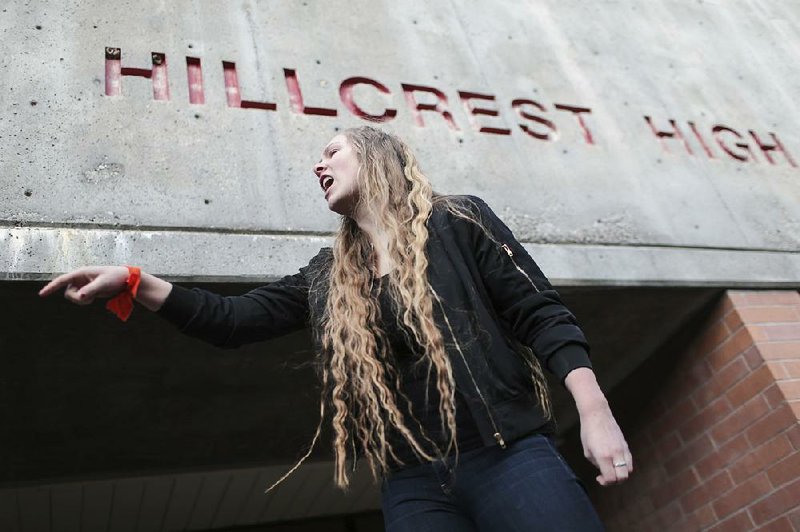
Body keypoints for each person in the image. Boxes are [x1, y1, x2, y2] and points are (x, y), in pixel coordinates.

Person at [39, 126, 631, 531]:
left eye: (331, 152)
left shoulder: (458, 220)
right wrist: (136, 280)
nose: (317, 166)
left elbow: (540, 312)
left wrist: (594, 410)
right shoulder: (326, 276)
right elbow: (232, 320)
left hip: (508, 455)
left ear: (376, 157)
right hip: (414, 481)